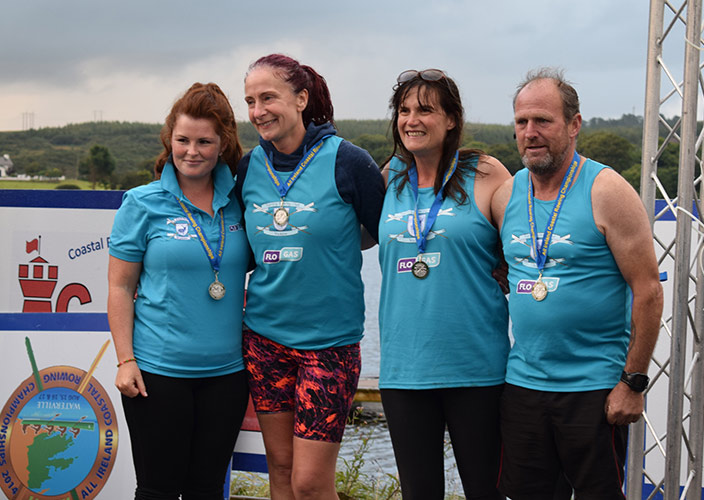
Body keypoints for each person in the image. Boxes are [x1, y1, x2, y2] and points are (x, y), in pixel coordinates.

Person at [492, 68, 664, 499]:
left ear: (573, 125)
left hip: (594, 390)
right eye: (521, 122)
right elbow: (501, 267)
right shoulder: (508, 195)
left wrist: (634, 382)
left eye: (543, 121)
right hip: (525, 385)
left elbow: (648, 290)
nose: (531, 132)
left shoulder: (607, 190)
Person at [236, 54, 384, 499]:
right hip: (264, 341)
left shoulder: (349, 161)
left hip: (329, 346)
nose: (258, 110)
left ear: (301, 99)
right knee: (280, 471)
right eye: (249, 101)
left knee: (310, 482)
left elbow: (388, 235)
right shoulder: (246, 168)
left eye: (268, 97)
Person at [107, 82, 250, 499]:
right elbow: (119, 286)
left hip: (227, 376)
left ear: (223, 144)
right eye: (183, 140)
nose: (192, 151)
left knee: (207, 491)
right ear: (169, 139)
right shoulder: (142, 203)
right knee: (158, 492)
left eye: (204, 141)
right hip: (156, 374)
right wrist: (125, 360)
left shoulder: (242, 201)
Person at [378, 68, 511, 500]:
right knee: (419, 493)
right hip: (405, 370)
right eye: (404, 110)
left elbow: (527, 241)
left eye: (425, 110)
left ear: (452, 119)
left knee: (485, 491)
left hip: (476, 368)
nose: (411, 119)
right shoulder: (388, 178)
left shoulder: (485, 172)